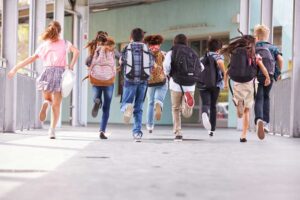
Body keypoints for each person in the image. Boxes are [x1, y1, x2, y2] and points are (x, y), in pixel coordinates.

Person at [8, 21, 79, 139]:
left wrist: (15, 68)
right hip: (60, 74)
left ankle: (46, 103)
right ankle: (52, 130)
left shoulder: (44, 45)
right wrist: (71, 66)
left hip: (47, 72)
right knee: (56, 105)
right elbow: (77, 52)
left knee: (47, 98)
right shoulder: (65, 43)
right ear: (60, 31)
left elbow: (31, 59)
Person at [220, 34, 270, 142]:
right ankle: (244, 135)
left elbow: (227, 72)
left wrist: (224, 83)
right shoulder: (254, 55)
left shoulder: (235, 54)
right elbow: (262, 67)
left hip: (238, 83)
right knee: (247, 110)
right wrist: (267, 77)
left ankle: (239, 104)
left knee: (239, 108)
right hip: (250, 83)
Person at [119, 28, 154, 142]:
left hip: (130, 80)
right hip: (143, 81)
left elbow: (121, 61)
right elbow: (152, 65)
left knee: (125, 102)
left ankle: (127, 107)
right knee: (138, 108)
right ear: (142, 38)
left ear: (132, 37)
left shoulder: (126, 48)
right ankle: (137, 133)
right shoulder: (147, 49)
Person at [163, 34, 200, 142]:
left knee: (175, 109)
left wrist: (167, 74)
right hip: (190, 85)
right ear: (186, 42)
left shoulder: (172, 52)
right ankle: (187, 104)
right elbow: (200, 67)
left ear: (174, 42)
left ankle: (178, 133)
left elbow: (166, 66)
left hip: (176, 84)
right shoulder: (193, 52)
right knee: (186, 113)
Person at [254, 24, 284, 133]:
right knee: (266, 97)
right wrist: (279, 72)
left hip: (256, 76)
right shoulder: (273, 47)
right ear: (267, 36)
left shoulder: (254, 47)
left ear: (256, 35)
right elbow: (280, 60)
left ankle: (258, 119)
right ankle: (266, 123)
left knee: (259, 98)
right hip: (270, 76)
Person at [87, 37, 116, 139]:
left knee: (96, 98)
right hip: (108, 81)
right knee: (106, 108)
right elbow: (122, 58)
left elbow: (88, 62)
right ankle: (102, 130)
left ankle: (97, 101)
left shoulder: (96, 50)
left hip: (96, 79)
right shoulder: (112, 51)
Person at [198, 39, 227, 137]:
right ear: (218, 49)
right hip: (215, 84)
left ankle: (205, 113)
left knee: (205, 104)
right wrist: (224, 73)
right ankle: (212, 129)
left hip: (203, 84)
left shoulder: (202, 58)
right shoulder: (218, 56)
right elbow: (220, 63)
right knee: (213, 106)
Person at [144, 35, 168, 133]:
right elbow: (167, 67)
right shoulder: (163, 54)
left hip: (149, 82)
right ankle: (158, 103)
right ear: (159, 44)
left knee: (150, 103)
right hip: (161, 80)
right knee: (158, 99)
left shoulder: (146, 55)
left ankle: (150, 126)